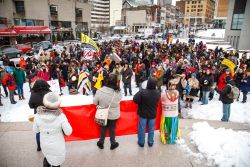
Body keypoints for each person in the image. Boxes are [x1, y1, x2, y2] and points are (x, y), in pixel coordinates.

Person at [33, 92, 72, 167]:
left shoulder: (38, 115)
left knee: (47, 158)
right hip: (57, 146)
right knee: (56, 163)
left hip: (45, 144)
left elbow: (35, 130)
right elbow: (68, 132)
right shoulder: (61, 116)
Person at [93, 74, 122, 150]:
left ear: (107, 80)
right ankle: (113, 143)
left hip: (103, 113)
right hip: (114, 114)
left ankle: (101, 142)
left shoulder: (100, 91)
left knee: (103, 128)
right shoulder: (118, 92)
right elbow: (119, 100)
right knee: (112, 129)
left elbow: (95, 102)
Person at [133, 77, 161, 147]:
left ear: (148, 83)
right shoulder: (158, 93)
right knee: (151, 129)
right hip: (152, 114)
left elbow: (135, 99)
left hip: (143, 114)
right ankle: (150, 142)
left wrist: (141, 91)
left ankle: (141, 142)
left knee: (142, 129)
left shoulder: (143, 92)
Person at [29, 79, 51, 151]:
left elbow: (31, 106)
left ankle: (39, 146)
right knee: (49, 130)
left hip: (38, 115)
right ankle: (48, 145)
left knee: (38, 131)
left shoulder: (33, 93)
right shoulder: (50, 93)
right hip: (49, 114)